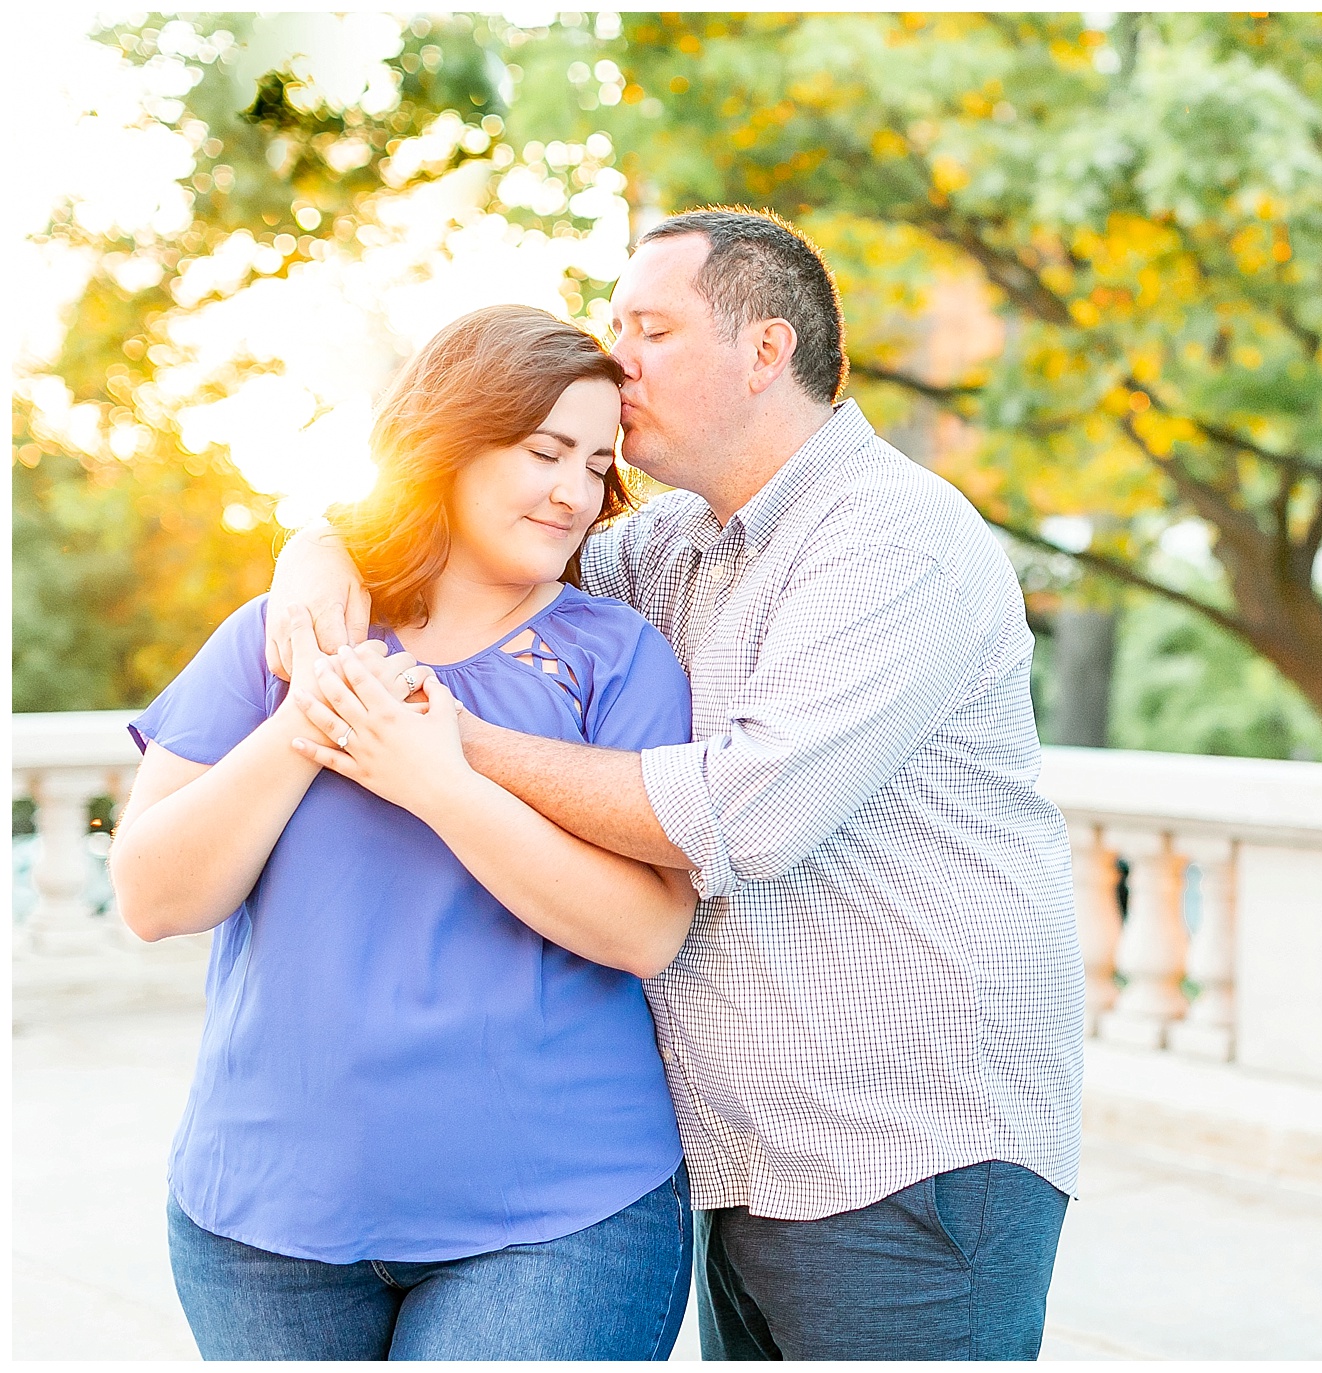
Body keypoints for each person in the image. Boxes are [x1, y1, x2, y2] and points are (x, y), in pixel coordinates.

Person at [271, 208, 1087, 1359]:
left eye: (648, 327)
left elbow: (741, 815)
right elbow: (468, 537)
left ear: (764, 352)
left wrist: (442, 745)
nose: (616, 360)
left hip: (911, 1159)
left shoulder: (893, 536)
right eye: (612, 325)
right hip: (754, 1164)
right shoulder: (662, 548)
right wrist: (315, 544)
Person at [109, 305, 699, 1361]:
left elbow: (647, 930)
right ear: (451, 445)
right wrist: (310, 721)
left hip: (555, 1223)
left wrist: (439, 780)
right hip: (260, 1228)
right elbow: (155, 898)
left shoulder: (621, 657)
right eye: (542, 450)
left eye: (597, 463)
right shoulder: (280, 637)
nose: (572, 490)